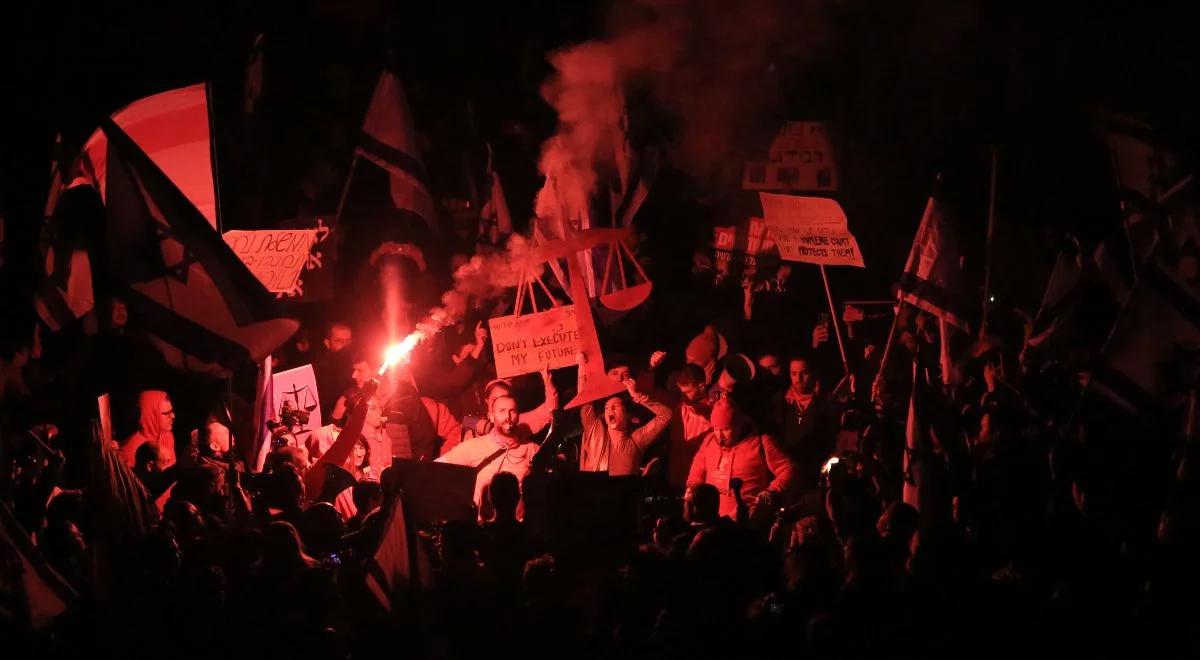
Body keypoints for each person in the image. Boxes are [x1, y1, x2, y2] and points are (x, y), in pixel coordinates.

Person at [686, 398, 796, 519]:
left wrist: (772, 491)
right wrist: (693, 489)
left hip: (747, 523)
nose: (719, 435)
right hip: (713, 522)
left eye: (726, 429)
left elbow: (788, 469)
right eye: (716, 429)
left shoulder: (761, 443)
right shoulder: (709, 442)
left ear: (739, 425)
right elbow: (697, 470)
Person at [437, 394, 539, 517]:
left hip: (516, 531)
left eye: (512, 411)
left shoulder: (531, 449)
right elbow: (436, 469)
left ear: (518, 416)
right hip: (483, 531)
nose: (508, 416)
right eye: (502, 411)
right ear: (491, 416)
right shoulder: (473, 447)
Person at [579, 379, 673, 476]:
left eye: (616, 406)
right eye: (607, 407)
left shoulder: (636, 442)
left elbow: (666, 415)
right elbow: (583, 400)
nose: (610, 409)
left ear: (627, 415)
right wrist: (582, 368)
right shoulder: (595, 435)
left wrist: (638, 396)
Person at [666, 364, 716, 492]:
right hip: (676, 480)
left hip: (699, 482)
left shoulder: (714, 410)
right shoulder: (680, 407)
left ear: (701, 386)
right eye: (681, 392)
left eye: (687, 392)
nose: (683, 396)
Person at [121, 390, 178, 471]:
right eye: (166, 413)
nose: (173, 415)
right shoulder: (129, 451)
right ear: (150, 415)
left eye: (171, 411)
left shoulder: (167, 436)